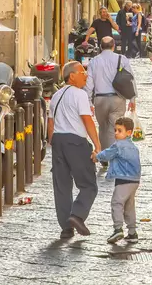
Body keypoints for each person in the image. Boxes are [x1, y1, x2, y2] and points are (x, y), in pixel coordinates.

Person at [48, 61, 102, 238]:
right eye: (82, 72)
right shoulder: (79, 94)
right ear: (72, 76)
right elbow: (86, 120)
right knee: (88, 184)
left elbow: (50, 123)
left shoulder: (56, 96)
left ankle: (66, 228)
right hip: (75, 142)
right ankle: (77, 216)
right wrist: (97, 144)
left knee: (62, 185)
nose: (85, 75)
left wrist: (53, 143)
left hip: (58, 141)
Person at [84, 36, 136, 167]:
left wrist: (89, 103)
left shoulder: (94, 61)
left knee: (103, 128)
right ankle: (114, 157)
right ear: (113, 46)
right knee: (116, 129)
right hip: (117, 99)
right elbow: (131, 79)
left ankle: (104, 158)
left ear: (101, 47)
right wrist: (132, 98)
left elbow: (89, 84)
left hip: (99, 99)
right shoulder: (121, 59)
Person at [96, 117, 142, 244]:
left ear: (129, 132)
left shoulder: (118, 146)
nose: (116, 133)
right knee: (129, 206)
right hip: (134, 180)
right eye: (115, 130)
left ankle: (118, 229)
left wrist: (96, 156)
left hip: (123, 179)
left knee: (117, 203)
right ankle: (132, 233)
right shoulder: (134, 147)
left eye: (119, 130)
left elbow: (107, 154)